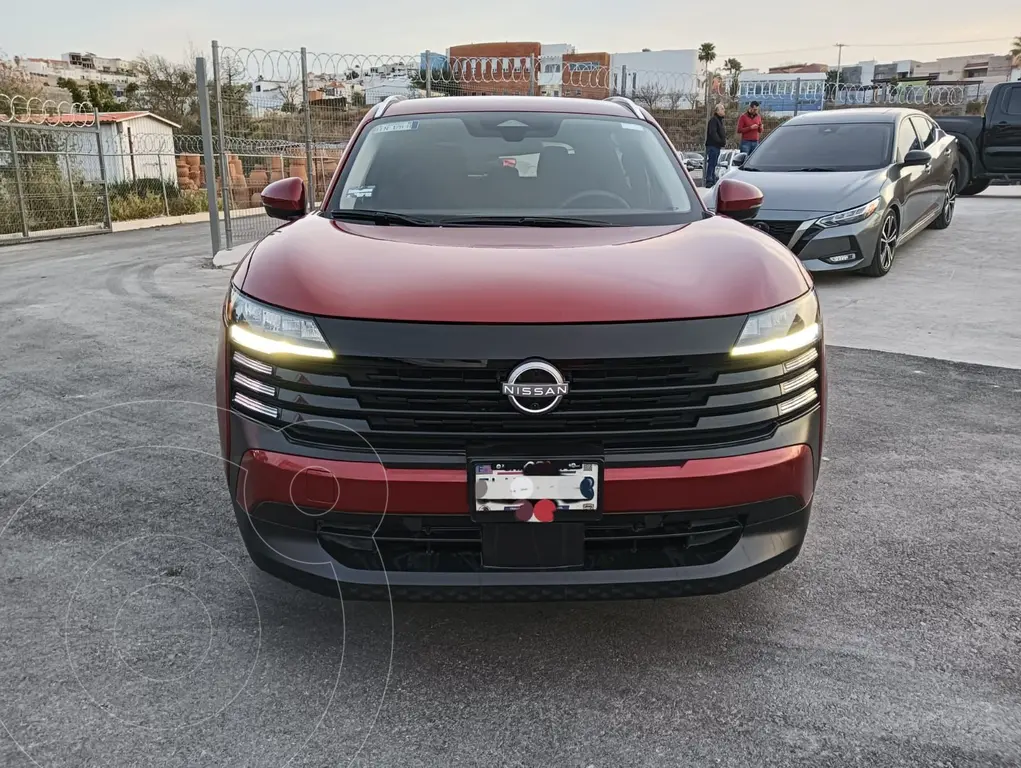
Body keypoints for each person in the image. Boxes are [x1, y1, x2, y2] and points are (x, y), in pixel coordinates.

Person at [704, 103, 727, 187]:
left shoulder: (719, 121)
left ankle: (712, 180)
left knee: (713, 164)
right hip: (713, 146)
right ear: (717, 111)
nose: (724, 110)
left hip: (716, 146)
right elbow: (713, 133)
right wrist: (720, 141)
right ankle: (709, 180)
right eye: (722, 109)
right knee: (712, 163)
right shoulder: (714, 120)